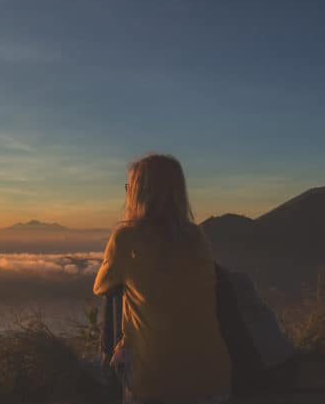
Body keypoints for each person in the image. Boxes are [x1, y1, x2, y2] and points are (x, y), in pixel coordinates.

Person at [93, 154, 231, 404]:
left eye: (129, 188)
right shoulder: (197, 237)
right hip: (212, 378)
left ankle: (107, 373)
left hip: (153, 384)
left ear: (138, 193)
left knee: (117, 294)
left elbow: (101, 286)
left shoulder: (126, 238)